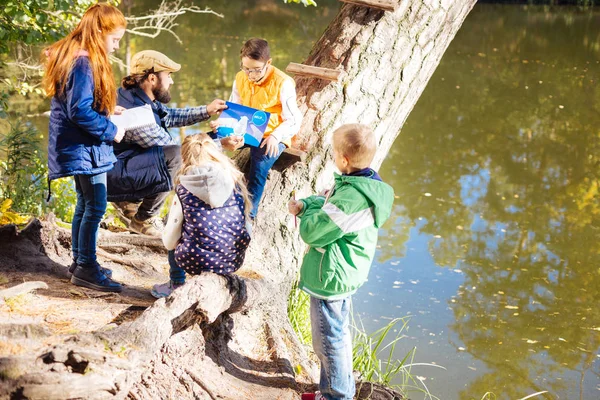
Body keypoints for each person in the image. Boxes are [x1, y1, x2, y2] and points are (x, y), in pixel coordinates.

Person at [288, 124, 394, 400]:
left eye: (335, 153)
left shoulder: (352, 199)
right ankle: (331, 390)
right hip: (344, 271)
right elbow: (326, 205)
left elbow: (314, 231)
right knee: (335, 333)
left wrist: (304, 215)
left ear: (344, 160)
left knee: (328, 339)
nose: (333, 157)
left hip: (331, 275)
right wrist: (307, 205)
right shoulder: (361, 184)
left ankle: (337, 396)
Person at [107, 50, 241, 236]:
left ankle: (130, 203)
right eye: (168, 75)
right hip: (114, 177)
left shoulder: (134, 95)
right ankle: (144, 220)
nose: (172, 81)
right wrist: (219, 142)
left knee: (170, 156)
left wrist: (206, 111)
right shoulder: (136, 114)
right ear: (152, 78)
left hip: (120, 166)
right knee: (175, 159)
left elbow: (169, 116)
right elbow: (181, 153)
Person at [44, 3, 127, 293]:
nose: (116, 46)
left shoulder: (74, 56)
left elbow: (78, 104)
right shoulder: (82, 62)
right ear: (99, 32)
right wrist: (111, 130)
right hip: (85, 147)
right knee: (96, 205)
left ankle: (81, 262)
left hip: (79, 145)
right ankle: (87, 269)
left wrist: (106, 110)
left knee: (86, 202)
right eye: (114, 39)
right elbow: (79, 111)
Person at [151, 133, 252, 298]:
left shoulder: (184, 188)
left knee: (176, 231)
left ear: (184, 156)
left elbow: (170, 240)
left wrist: (171, 243)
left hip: (195, 260)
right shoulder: (234, 181)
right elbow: (247, 224)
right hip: (232, 259)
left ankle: (176, 283)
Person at [211, 37, 302, 219]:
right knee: (208, 143)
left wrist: (276, 136)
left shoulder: (283, 82)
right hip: (245, 129)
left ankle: (248, 214)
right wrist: (221, 124)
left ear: (268, 63)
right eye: (246, 69)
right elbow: (234, 108)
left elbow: (294, 119)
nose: (251, 75)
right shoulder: (240, 78)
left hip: (271, 134)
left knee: (259, 166)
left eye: (256, 70)